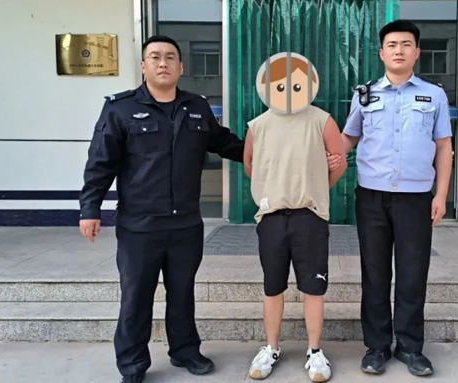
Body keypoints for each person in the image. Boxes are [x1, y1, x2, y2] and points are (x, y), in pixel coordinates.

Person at [78, 35, 245, 383]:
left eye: (170, 57)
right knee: (136, 297)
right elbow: (100, 162)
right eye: (154, 57)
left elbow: (225, 143)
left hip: (186, 225)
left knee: (182, 293)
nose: (162, 62)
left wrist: (273, 152)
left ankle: (185, 351)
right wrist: (89, 208)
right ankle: (132, 364)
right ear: (143, 66)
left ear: (181, 67)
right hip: (139, 226)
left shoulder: (196, 107)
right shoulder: (120, 109)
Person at [340, 20, 453, 377]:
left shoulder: (434, 95)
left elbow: (444, 147)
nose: (399, 50)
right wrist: (322, 158)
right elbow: (348, 139)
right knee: (374, 273)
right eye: (392, 45)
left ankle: (409, 347)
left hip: (415, 198)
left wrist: (441, 195)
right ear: (381, 53)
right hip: (371, 197)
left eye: (406, 44)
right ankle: (376, 347)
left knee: (412, 273)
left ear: (417, 52)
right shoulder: (365, 94)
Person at [243, 52, 347, 382]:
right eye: (280, 83)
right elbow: (250, 164)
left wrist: (315, 187)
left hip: (310, 217)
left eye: (295, 83)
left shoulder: (322, 120)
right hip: (272, 217)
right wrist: (272, 188)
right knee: (272, 286)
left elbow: (339, 161)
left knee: (313, 287)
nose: (288, 89)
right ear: (267, 85)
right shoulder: (258, 125)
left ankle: (315, 351)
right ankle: (271, 347)